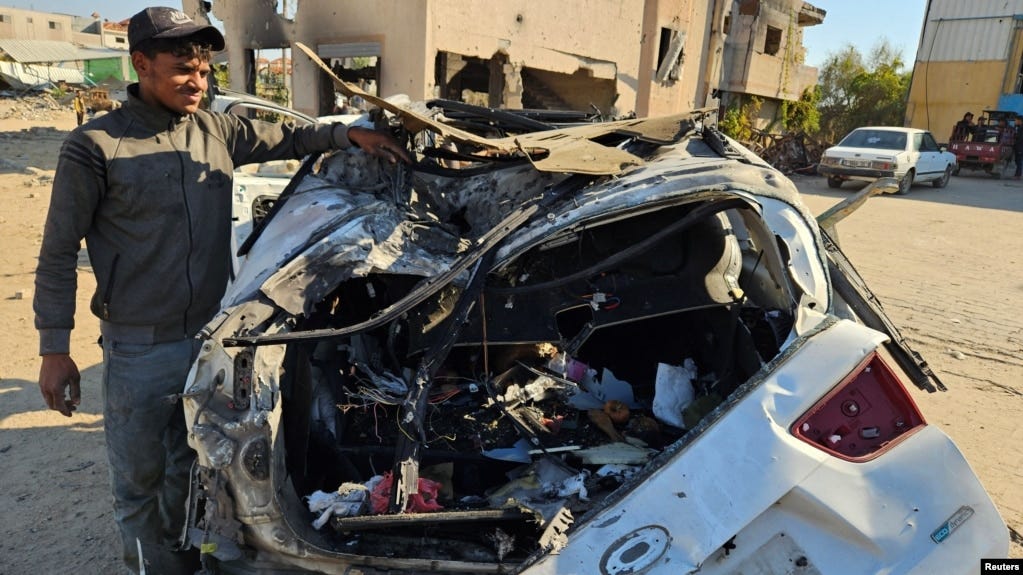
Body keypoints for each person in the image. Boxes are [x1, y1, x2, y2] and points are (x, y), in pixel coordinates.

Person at [33, 6, 409, 574]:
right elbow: (58, 253)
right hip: (139, 350)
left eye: (205, 71)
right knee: (139, 485)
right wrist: (53, 348)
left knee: (199, 472)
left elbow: (290, 135)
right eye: (183, 67)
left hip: (211, 345)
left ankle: (186, 563)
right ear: (141, 64)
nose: (198, 81)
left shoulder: (214, 129)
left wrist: (349, 132)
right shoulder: (95, 146)